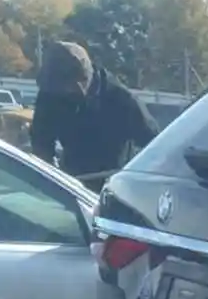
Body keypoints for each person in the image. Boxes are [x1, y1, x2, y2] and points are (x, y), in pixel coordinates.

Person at [28, 41, 158, 189]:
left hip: (114, 186)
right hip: (72, 184)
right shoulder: (50, 96)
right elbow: (41, 143)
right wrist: (49, 179)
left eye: (63, 87)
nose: (60, 93)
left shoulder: (122, 101)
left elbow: (156, 145)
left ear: (79, 83)